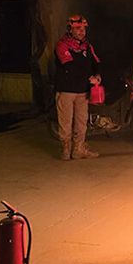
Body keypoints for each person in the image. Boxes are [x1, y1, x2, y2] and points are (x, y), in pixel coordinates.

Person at [54, 14, 101, 160]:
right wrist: (89, 78)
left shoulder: (87, 45)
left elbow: (96, 62)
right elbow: (69, 66)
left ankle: (78, 149)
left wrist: (98, 75)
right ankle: (66, 150)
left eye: (83, 28)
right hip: (66, 91)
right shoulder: (62, 45)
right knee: (65, 123)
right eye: (78, 28)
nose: (82, 31)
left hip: (83, 92)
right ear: (70, 30)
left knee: (81, 123)